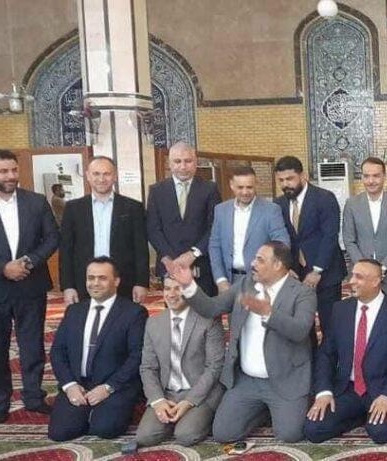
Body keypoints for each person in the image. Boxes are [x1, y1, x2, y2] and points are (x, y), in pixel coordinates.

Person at [170, 241, 316, 443]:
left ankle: (275, 409)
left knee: (289, 434)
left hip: (285, 379)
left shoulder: (302, 293)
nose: (253, 263)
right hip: (246, 380)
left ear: (278, 265)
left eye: (260, 260)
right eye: (254, 258)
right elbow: (212, 308)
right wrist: (188, 285)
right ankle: (261, 411)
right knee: (224, 434)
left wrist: (269, 313)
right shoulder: (246, 284)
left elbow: (300, 331)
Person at [305, 259, 387, 444]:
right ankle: (359, 417)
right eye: (352, 275)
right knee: (314, 430)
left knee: (380, 433)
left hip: (383, 388)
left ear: (376, 281)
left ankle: (368, 417)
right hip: (348, 388)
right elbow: (326, 354)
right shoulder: (340, 309)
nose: (351, 281)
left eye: (359, 277)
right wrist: (323, 391)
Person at [47, 257, 148, 441]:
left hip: (114, 385)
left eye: (102, 278)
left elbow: (137, 356)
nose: (95, 283)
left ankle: (111, 410)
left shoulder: (134, 313)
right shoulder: (74, 311)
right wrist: (69, 386)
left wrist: (108, 388)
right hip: (79, 384)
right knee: (60, 433)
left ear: (116, 281)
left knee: (104, 429)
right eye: (90, 278)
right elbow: (57, 351)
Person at [0, 149, 59, 421]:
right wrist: (3, 268)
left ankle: (34, 397)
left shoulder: (36, 201)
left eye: (13, 170)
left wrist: (28, 262)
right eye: (3, 171)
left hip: (30, 284)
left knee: (32, 344)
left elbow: (52, 237)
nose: (10, 176)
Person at [135, 277, 224, 447]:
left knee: (186, 435)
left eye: (178, 288)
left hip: (200, 392)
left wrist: (189, 402)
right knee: (145, 437)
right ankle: (176, 420)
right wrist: (158, 400)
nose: (171, 294)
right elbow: (148, 367)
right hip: (167, 393)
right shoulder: (153, 322)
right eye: (167, 288)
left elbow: (214, 367)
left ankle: (198, 418)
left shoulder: (208, 320)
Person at [59, 156, 149, 304]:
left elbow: (140, 248)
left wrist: (141, 282)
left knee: (122, 318)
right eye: (96, 174)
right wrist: (68, 286)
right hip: (84, 282)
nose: (101, 179)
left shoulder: (133, 208)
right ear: (88, 176)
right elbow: (66, 250)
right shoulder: (73, 209)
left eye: (106, 174)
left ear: (115, 176)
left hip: (124, 281)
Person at [274, 156, 346, 332]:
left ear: (303, 176)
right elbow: (281, 239)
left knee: (330, 325)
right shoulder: (279, 204)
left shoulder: (324, 198)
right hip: (295, 274)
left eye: (290, 179)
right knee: (302, 327)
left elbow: (330, 236)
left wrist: (317, 270)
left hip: (326, 273)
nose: (285, 184)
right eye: (281, 180)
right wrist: (286, 267)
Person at [146, 142, 222, 296]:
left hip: (201, 266)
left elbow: (215, 226)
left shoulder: (209, 189)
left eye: (188, 161)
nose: (183, 166)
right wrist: (170, 258)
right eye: (177, 161)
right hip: (169, 266)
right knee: (175, 310)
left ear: (196, 162)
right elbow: (153, 228)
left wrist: (193, 254)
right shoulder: (157, 191)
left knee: (205, 309)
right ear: (169, 164)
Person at [208, 165, 289, 291]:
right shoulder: (221, 210)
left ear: (256, 184)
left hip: (262, 281)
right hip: (229, 281)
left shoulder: (271, 210)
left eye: (249, 187)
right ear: (231, 185)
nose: (245, 192)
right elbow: (214, 246)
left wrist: (270, 274)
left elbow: (282, 244)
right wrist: (220, 280)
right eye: (240, 187)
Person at [342, 157, 387, 297]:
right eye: (366, 176)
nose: (371, 181)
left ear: (384, 176)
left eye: (376, 176)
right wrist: (365, 268)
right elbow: (349, 240)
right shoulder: (352, 204)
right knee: (362, 310)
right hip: (360, 275)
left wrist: (383, 268)